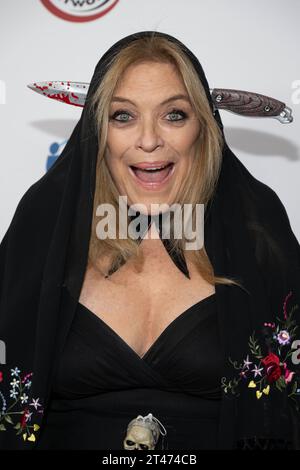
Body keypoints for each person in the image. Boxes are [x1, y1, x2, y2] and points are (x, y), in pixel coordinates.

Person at [0, 30, 300, 450]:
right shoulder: (43, 225)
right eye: (123, 116)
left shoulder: (257, 228)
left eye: (174, 114)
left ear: (205, 125)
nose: (148, 140)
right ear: (96, 129)